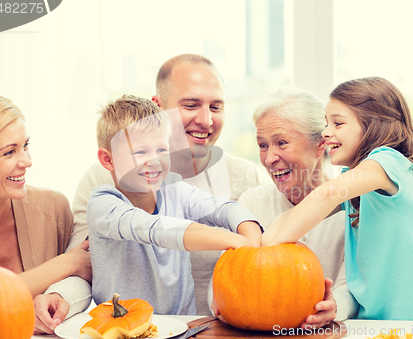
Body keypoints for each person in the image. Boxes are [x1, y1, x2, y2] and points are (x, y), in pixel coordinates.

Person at [71, 54, 268, 315]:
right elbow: (160, 230)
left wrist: (249, 232)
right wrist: (234, 240)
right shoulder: (103, 199)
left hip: (189, 329)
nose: (206, 120)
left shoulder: (177, 188)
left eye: (161, 150)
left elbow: (221, 208)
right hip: (125, 330)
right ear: (108, 160)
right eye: (190, 105)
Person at [263, 77, 413, 321]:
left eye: (338, 123)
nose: (325, 132)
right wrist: (262, 243)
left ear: (373, 125)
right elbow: (306, 208)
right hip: (379, 326)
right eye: (326, 123)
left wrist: (272, 248)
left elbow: (326, 194)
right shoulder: (354, 182)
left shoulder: (387, 162)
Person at [232, 86, 357, 328]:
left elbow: (351, 286)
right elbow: (228, 278)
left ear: (321, 144)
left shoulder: (351, 204)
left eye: (281, 142)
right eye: (262, 145)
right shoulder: (251, 202)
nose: (269, 159)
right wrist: (220, 301)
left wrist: (335, 306)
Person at [0, 90, 92, 334]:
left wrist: (58, 299)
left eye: (26, 146)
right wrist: (67, 262)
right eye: (9, 151)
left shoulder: (53, 209)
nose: (27, 161)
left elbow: (84, 281)